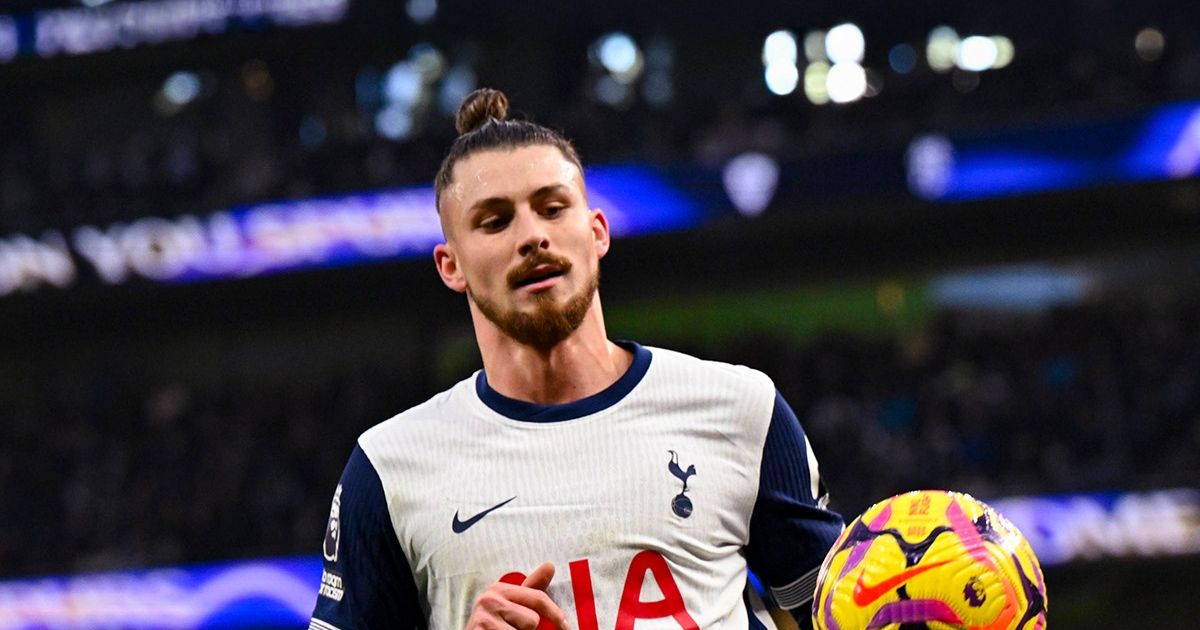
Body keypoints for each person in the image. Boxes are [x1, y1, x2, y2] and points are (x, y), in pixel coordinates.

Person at [309, 88, 844, 630]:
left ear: (597, 232)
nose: (532, 237)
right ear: (452, 266)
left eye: (552, 208)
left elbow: (848, 613)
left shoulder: (742, 410)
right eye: (495, 221)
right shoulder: (387, 468)